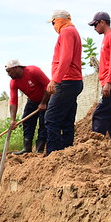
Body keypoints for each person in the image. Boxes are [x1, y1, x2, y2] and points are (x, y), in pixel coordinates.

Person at [44, 9, 83, 155]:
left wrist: (55, 80)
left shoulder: (66, 32)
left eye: (53, 23)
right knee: (66, 119)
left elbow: (65, 58)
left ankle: (53, 155)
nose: (53, 27)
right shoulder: (73, 31)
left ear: (58, 21)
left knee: (51, 118)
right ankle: (67, 152)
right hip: (74, 82)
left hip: (66, 81)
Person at [89, 11, 111, 138]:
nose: (94, 28)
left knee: (100, 114)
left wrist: (108, 82)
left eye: (95, 25)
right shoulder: (107, 37)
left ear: (102, 22)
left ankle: (95, 144)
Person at [5, 59, 50, 155]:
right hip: (32, 101)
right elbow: (13, 101)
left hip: (47, 98)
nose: (8, 74)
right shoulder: (13, 82)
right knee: (26, 121)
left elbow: (48, 86)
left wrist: (43, 103)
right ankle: (27, 148)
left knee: (44, 123)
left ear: (16, 68)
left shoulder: (33, 71)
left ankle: (39, 148)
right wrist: (13, 120)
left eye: (9, 71)